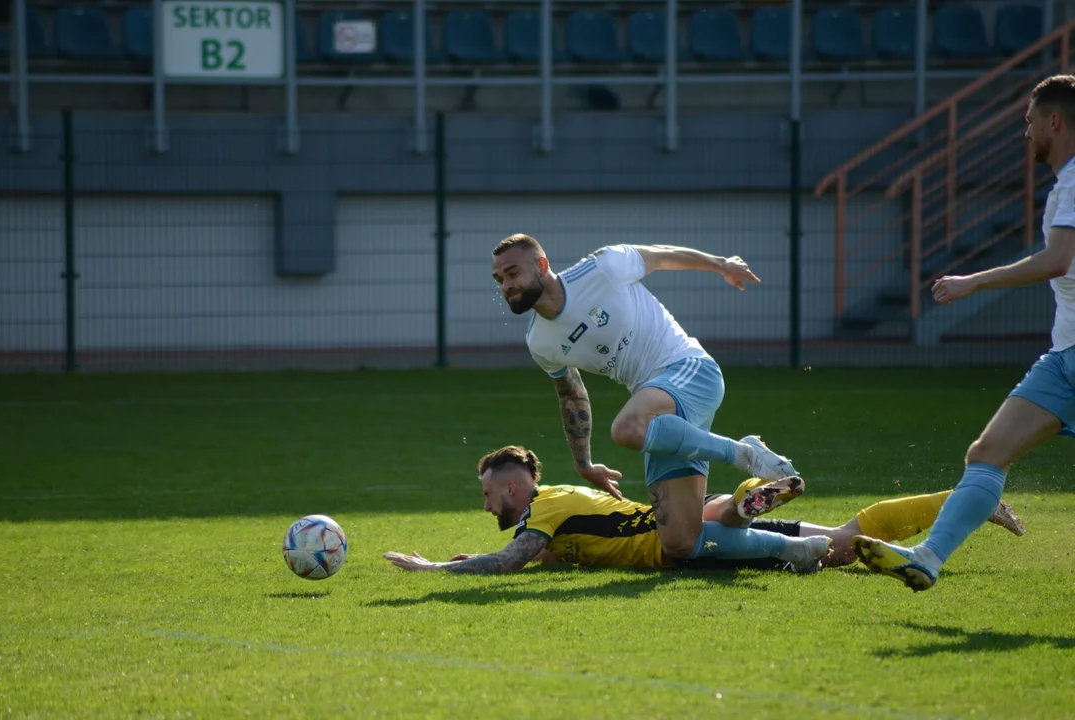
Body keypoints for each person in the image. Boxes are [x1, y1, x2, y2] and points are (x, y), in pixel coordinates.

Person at [853, 74, 1075, 591]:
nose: (1026, 132)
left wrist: (974, 281)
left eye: (1030, 121)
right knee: (985, 454)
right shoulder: (1065, 182)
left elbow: (1058, 260)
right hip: (1063, 357)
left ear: (1055, 121)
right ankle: (928, 558)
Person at [489, 234, 798, 571]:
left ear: (542, 265)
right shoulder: (539, 341)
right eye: (500, 279)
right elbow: (571, 393)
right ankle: (798, 548)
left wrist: (722, 265)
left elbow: (662, 256)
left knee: (627, 428)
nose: (506, 285)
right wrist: (584, 463)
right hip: (663, 417)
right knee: (680, 541)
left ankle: (745, 454)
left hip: (689, 369)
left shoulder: (601, 267)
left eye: (513, 273)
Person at [382, 446, 1025, 574]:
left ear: (513, 488)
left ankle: (746, 502)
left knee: (833, 550)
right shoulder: (550, 514)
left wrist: (438, 570)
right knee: (847, 539)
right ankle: (958, 502)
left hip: (676, 538)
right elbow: (535, 557)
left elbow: (518, 556)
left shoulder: (542, 509)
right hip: (686, 514)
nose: (484, 503)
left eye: (488, 493)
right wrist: (483, 557)